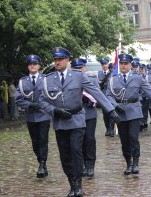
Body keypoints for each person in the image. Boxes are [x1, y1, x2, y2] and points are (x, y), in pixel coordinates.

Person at [39, 47, 120, 197]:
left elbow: (96, 92)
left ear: (67, 60)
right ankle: (72, 182)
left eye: (60, 59)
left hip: (76, 120)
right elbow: (42, 101)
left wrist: (110, 110)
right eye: (55, 60)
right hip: (60, 122)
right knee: (65, 155)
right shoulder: (48, 79)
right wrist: (55, 111)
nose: (57, 62)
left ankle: (78, 184)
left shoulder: (78, 76)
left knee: (76, 151)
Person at [106, 53, 151, 175]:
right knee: (124, 140)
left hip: (134, 111)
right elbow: (109, 96)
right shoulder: (113, 78)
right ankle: (128, 163)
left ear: (130, 65)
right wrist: (115, 106)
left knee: (133, 138)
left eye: (126, 64)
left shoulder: (137, 77)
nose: (123, 66)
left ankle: (136, 163)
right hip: (120, 112)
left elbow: (149, 91)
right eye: (121, 63)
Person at [15, 55, 51, 178]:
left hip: (44, 115)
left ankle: (42, 164)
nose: (32, 66)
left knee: (43, 140)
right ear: (28, 66)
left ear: (39, 66)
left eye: (35, 63)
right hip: (31, 116)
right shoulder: (22, 81)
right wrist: (29, 105)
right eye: (30, 64)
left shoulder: (46, 79)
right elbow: (18, 99)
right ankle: (41, 161)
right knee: (35, 142)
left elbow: (52, 96)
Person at [70, 58, 98, 178]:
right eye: (75, 68)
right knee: (78, 142)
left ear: (84, 68)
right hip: (75, 115)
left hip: (89, 113)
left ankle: (90, 165)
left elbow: (98, 95)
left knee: (90, 139)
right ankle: (80, 165)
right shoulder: (69, 80)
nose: (78, 70)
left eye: (80, 68)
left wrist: (91, 101)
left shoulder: (91, 79)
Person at [98, 58, 115, 137]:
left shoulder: (112, 73)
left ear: (108, 64)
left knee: (111, 112)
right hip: (103, 96)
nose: (104, 66)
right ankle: (107, 128)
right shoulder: (99, 74)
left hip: (111, 96)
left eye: (105, 64)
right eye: (103, 64)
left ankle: (111, 129)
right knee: (105, 114)